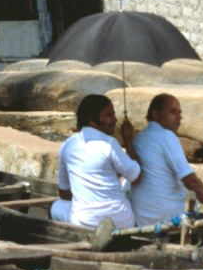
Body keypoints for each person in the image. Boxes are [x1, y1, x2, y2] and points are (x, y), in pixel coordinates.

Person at [56, 94, 141, 229]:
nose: (115, 120)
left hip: (86, 223)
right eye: (108, 115)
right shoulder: (109, 143)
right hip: (122, 222)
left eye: (113, 114)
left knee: (55, 207)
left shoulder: (67, 145)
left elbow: (64, 194)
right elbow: (137, 177)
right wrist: (129, 141)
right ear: (92, 120)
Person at [128, 93, 203, 226]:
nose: (179, 117)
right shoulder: (166, 136)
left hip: (143, 217)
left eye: (180, 113)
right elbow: (190, 181)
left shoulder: (139, 138)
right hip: (168, 218)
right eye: (173, 112)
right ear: (156, 115)